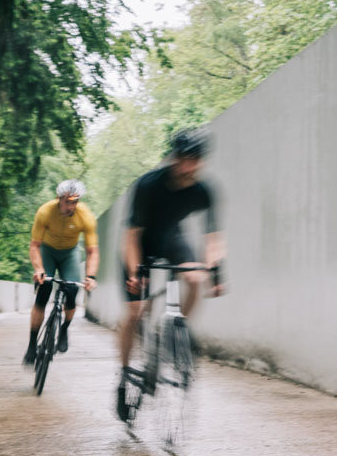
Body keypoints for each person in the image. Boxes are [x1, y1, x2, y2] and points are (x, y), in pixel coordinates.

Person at [119, 128, 225, 418]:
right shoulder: (149, 185)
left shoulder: (204, 191)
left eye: (194, 160)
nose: (187, 166)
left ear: (201, 161)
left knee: (195, 278)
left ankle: (175, 334)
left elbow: (213, 237)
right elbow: (131, 236)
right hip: (139, 242)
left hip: (171, 238)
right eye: (182, 159)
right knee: (134, 311)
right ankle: (124, 374)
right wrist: (134, 272)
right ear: (173, 158)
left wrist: (217, 273)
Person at [25, 179, 98, 363]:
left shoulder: (85, 216)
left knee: (72, 290)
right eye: (68, 201)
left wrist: (90, 277)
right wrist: (39, 269)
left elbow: (92, 251)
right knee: (44, 290)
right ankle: (32, 344)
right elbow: (34, 245)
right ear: (59, 199)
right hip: (47, 251)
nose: (71, 206)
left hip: (69, 254)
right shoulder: (45, 212)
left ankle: (64, 329)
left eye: (75, 202)